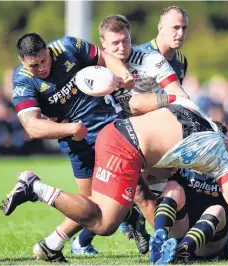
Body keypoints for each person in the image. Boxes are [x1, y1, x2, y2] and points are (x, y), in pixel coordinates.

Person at [0, 96, 228, 262]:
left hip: (116, 132)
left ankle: (51, 245)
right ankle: (34, 187)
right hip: (126, 151)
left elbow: (137, 103)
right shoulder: (219, 156)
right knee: (104, 222)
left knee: (141, 196)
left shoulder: (188, 104)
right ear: (224, 140)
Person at [71, 14, 190, 256]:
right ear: (103, 44)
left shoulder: (150, 59)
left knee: (153, 192)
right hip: (106, 139)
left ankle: (166, 241)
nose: (122, 47)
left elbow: (180, 94)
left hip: (147, 136)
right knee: (107, 201)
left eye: (126, 40)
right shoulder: (93, 70)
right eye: (115, 44)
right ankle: (82, 240)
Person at [11, 32, 134, 261]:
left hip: (108, 128)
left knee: (139, 187)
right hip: (77, 143)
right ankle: (51, 244)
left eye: (44, 61)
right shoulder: (22, 80)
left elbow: (105, 58)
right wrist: (70, 130)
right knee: (90, 208)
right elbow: (32, 127)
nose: (41, 69)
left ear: (48, 50)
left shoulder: (67, 46)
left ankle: (157, 234)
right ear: (23, 62)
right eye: (34, 65)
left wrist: (124, 74)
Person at [148, 127, 228, 264]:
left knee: (217, 209)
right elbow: (151, 179)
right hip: (181, 229)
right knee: (172, 187)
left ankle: (181, 252)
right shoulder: (186, 161)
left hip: (214, 242)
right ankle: (160, 242)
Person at [139, 6, 188, 84]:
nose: (181, 33)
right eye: (176, 27)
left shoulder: (181, 60)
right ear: (160, 28)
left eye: (184, 28)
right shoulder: (141, 56)